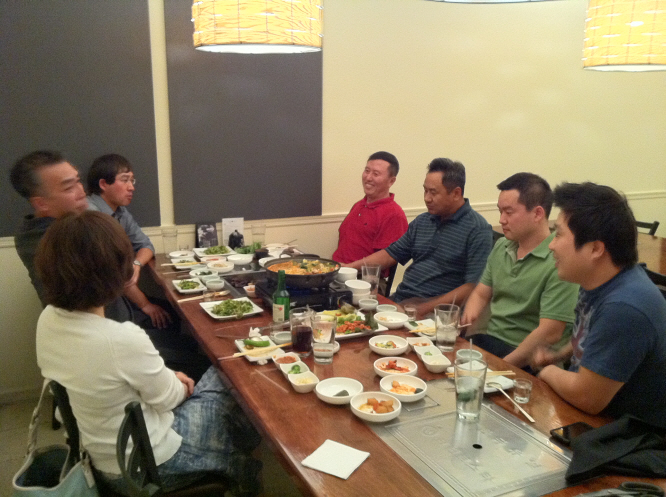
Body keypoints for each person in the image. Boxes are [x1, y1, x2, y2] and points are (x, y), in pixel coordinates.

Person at [35, 211, 262, 495]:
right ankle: (239, 467)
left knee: (217, 385)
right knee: (231, 373)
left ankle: (236, 456)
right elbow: (169, 399)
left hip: (100, 457)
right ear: (117, 274)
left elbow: (114, 376)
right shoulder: (120, 338)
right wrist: (179, 383)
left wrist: (170, 377)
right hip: (152, 465)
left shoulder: (48, 319)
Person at [533, 182, 666, 427]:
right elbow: (592, 334)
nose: (551, 244)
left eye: (559, 234)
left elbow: (588, 398)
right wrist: (559, 355)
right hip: (595, 419)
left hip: (627, 435)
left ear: (595, 249)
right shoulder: (601, 278)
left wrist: (547, 371)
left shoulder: (625, 307)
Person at [346, 158, 493, 318]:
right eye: (425, 191)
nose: (427, 198)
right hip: (403, 300)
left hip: (436, 313)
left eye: (433, 192)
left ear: (456, 193)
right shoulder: (423, 221)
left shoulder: (478, 230)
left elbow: (472, 286)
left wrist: (422, 309)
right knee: (348, 316)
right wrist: (348, 268)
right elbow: (390, 254)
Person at [461, 173, 579, 369]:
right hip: (491, 342)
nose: (502, 220)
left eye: (509, 212)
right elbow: (481, 294)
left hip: (527, 358)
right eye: (500, 211)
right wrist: (463, 325)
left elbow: (550, 333)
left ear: (537, 214)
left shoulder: (560, 259)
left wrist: (500, 366)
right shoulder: (502, 246)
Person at [87, 153, 170, 329]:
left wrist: (136, 264)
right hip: (101, 304)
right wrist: (145, 305)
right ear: (103, 184)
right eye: (125, 180)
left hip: (119, 294)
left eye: (132, 181)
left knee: (170, 310)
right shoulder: (91, 216)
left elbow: (146, 245)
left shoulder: (120, 211)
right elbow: (115, 274)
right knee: (166, 316)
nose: (131, 187)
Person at [11, 150, 89, 305]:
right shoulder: (50, 240)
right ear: (41, 203)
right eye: (69, 187)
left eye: (78, 181)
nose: (82, 192)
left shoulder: (66, 221)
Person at [332, 151, 408, 270]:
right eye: (367, 171)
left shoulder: (394, 214)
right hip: (337, 270)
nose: (368, 178)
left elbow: (388, 257)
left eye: (376, 174)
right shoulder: (358, 205)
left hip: (363, 277)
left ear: (391, 181)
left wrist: (348, 268)